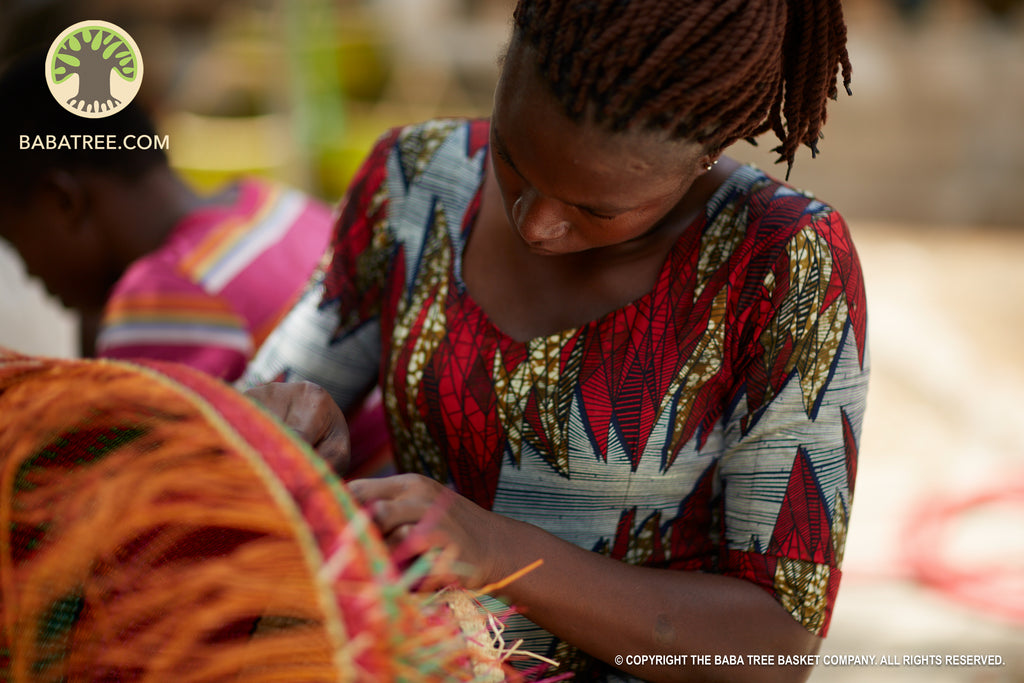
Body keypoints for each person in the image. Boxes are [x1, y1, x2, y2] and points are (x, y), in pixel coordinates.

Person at [241, 1, 869, 680]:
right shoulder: (417, 178)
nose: (535, 224)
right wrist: (286, 418)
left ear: (707, 150)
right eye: (511, 158)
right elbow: (242, 417)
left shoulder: (782, 261)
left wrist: (497, 551)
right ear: (507, 54)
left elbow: (774, 651)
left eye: (595, 210)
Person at [0, 50, 332, 381]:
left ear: (63, 203)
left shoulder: (159, 303)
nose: (28, 274)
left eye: (14, 241)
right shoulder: (279, 203)